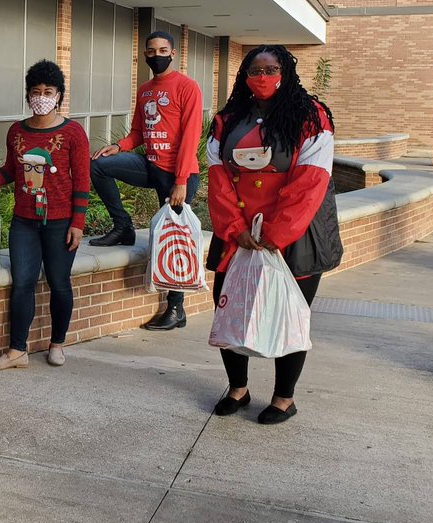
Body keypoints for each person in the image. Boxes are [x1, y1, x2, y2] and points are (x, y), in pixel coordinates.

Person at [205, 45, 337, 425]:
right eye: (255, 69)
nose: (262, 76)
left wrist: (275, 234)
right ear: (244, 74)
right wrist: (236, 229)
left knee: (290, 312)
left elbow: (311, 182)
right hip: (239, 235)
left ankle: (284, 397)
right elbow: (217, 179)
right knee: (228, 306)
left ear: (286, 71)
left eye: (271, 68)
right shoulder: (227, 120)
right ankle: (238, 389)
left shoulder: (312, 117)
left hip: (295, 237)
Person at [0, 60, 91, 369]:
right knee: (22, 283)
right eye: (35, 91)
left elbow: (83, 180)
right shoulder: (16, 131)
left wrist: (78, 223)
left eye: (48, 91)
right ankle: (17, 350)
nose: (41, 97)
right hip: (24, 222)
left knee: (59, 282)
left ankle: (57, 343)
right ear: (27, 95)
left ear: (59, 95)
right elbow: (9, 171)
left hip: (60, 222)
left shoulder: (73, 133)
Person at [89, 31, 203, 331]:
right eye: (150, 51)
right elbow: (139, 132)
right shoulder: (145, 90)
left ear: (174, 53)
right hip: (150, 165)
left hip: (179, 174)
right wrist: (120, 146)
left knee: (173, 238)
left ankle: (176, 309)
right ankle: (123, 226)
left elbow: (191, 137)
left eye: (163, 50)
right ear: (144, 55)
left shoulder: (187, 87)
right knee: (99, 165)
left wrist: (180, 182)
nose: (156, 55)